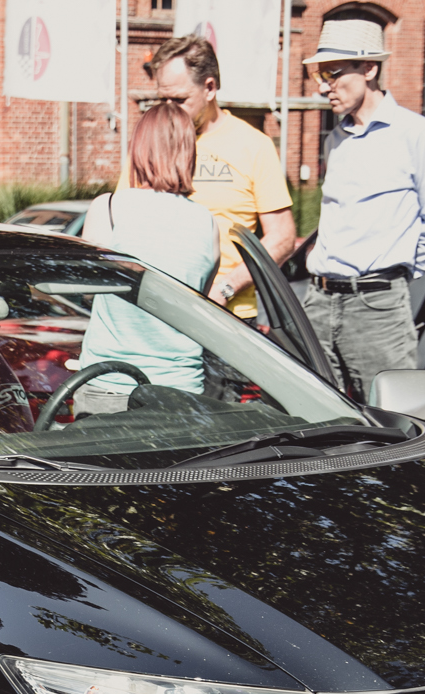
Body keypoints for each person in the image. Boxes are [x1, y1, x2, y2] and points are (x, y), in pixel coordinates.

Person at [300, 18, 425, 403]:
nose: (323, 87)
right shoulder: (335, 140)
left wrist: (396, 275)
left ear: (369, 69)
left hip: (378, 308)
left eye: (333, 73)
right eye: (320, 75)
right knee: (318, 415)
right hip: (319, 302)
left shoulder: (417, 135)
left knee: (395, 416)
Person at [73, 102, 221, 415]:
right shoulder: (208, 224)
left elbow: (86, 291)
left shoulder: (108, 208)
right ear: (189, 153)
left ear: (138, 150)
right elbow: (196, 302)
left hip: (110, 383)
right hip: (181, 391)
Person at [139, 34, 294, 320]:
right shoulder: (149, 142)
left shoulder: (253, 145)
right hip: (157, 310)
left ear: (209, 87)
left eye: (179, 99)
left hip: (228, 315)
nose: (169, 110)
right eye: (163, 99)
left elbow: (282, 237)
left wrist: (226, 287)